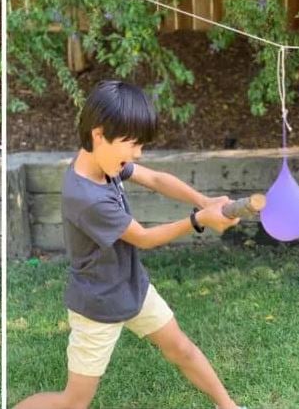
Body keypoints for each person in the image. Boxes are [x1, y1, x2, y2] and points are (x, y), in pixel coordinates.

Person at [14, 81, 246, 409]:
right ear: (99, 134)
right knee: (73, 402)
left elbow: (153, 179)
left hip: (132, 287)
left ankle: (230, 407)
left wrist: (203, 200)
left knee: (181, 349)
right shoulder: (86, 196)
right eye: (132, 144)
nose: (137, 154)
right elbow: (144, 238)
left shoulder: (105, 163)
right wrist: (199, 220)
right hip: (98, 306)